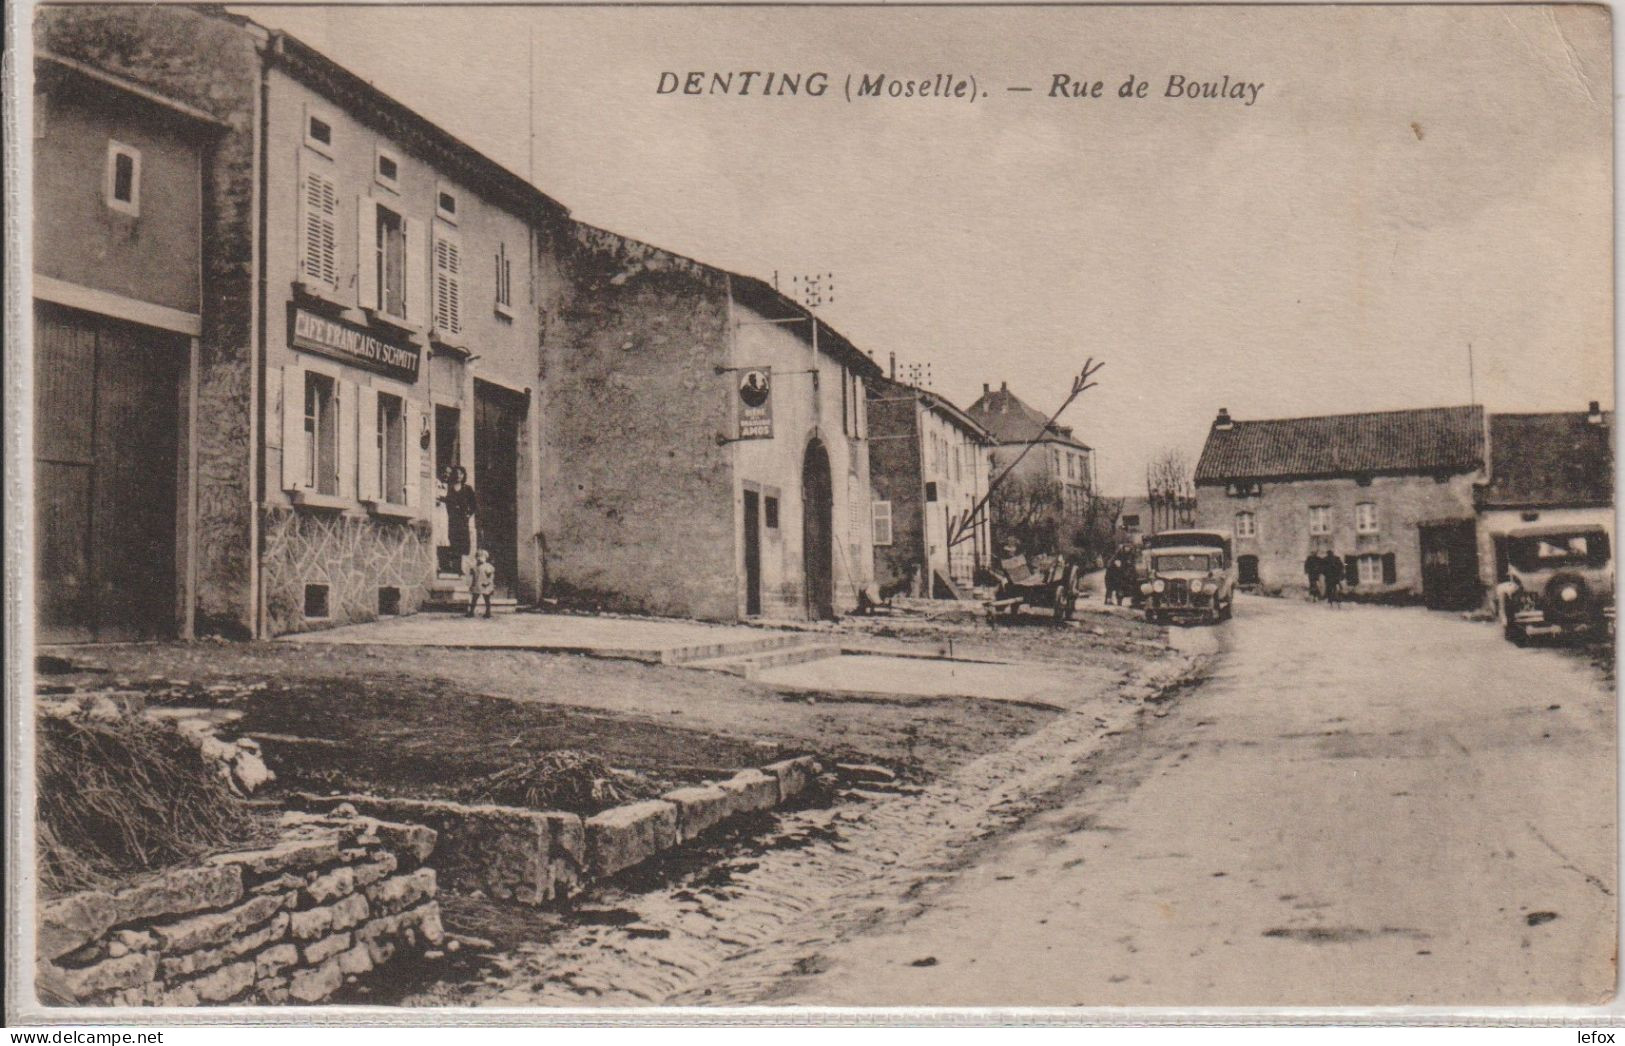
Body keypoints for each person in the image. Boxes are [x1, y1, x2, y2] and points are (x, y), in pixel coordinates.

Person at [443, 466, 477, 576]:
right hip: (452, 519)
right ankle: (453, 567)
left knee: (463, 543)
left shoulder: (467, 489)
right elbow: (446, 502)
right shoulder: (450, 488)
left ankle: (461, 568)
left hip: (462, 521)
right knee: (453, 541)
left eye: (461, 474)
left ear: (464, 475)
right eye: (457, 473)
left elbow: (474, 505)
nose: (459, 476)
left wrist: (468, 514)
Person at [432, 466, 452, 575]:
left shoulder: (448, 486)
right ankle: (436, 564)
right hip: (436, 511)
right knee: (437, 535)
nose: (446, 475)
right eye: (445, 472)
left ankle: (443, 563)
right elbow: (434, 496)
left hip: (444, 512)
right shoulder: (435, 482)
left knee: (443, 536)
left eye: (449, 473)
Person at [467, 549, 496, 619]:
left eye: (482, 557)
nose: (479, 559)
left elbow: (490, 576)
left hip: (485, 585)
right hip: (477, 585)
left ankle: (488, 612)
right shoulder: (475, 567)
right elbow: (474, 577)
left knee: (487, 599)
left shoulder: (487, 566)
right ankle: (471, 612)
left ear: (486, 558)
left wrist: (489, 583)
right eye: (478, 557)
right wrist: (472, 585)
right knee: (474, 599)